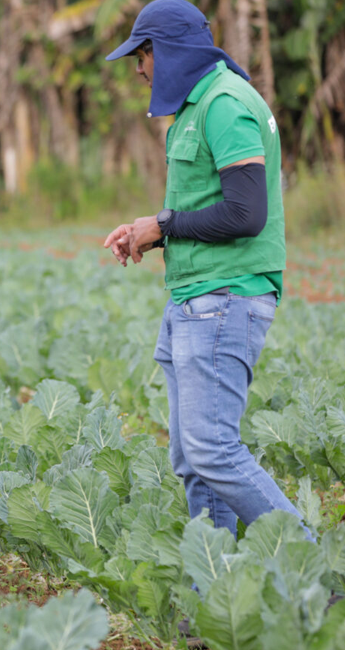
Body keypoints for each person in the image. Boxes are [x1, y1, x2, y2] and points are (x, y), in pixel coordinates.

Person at [104, 1, 305, 535]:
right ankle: (210, 590)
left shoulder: (224, 103)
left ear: (165, 51)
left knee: (213, 451)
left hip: (225, 300)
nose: (139, 69)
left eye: (142, 55)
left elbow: (247, 212)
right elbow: (210, 206)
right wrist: (151, 231)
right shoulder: (197, 107)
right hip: (194, 299)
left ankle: (315, 570)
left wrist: (164, 226)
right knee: (194, 462)